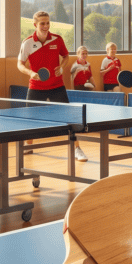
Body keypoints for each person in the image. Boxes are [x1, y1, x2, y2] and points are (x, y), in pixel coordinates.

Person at [17, 11, 87, 162]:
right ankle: (29, 146)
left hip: (57, 86)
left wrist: (62, 67)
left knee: (69, 119)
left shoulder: (57, 39)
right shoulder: (27, 43)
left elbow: (66, 56)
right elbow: (20, 64)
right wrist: (30, 72)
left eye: (48, 23)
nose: (45, 26)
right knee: (30, 119)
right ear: (35, 24)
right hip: (36, 86)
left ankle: (77, 149)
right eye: (42, 23)